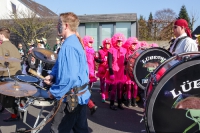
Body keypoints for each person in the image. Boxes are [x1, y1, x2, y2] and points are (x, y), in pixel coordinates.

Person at [44, 12, 90, 133]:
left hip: (71, 99)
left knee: (57, 130)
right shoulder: (74, 42)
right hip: (80, 96)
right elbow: (62, 66)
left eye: (58, 23)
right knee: (81, 130)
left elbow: (69, 78)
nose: (56, 26)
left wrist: (54, 92)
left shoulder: (68, 46)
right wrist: (52, 75)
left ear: (66, 25)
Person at [0, 27, 22, 122]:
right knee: (13, 97)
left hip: (8, 75)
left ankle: (13, 115)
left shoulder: (3, 46)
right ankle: (15, 113)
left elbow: (1, 63)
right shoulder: (13, 46)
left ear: (2, 35)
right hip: (16, 74)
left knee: (8, 98)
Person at [105, 33, 127, 110]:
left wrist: (124, 73)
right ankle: (111, 104)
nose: (119, 42)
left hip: (121, 71)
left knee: (120, 89)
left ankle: (120, 103)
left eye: (121, 41)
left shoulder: (124, 50)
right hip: (114, 71)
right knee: (114, 89)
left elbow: (125, 62)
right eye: (118, 41)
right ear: (115, 41)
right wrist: (111, 73)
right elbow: (109, 63)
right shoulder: (111, 50)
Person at [123, 37, 140, 107]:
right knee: (129, 88)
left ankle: (134, 101)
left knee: (135, 88)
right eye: (133, 44)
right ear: (129, 45)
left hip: (135, 72)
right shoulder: (126, 53)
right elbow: (124, 62)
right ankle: (129, 101)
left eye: (135, 44)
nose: (134, 46)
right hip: (128, 73)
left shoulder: (137, 53)